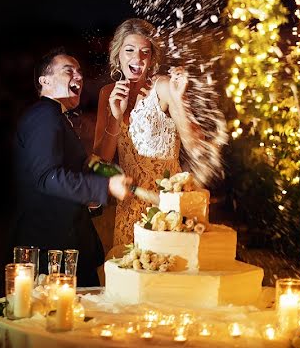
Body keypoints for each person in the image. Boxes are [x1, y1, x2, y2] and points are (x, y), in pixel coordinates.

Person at [11, 47, 133, 287]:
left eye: (80, 72)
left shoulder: (56, 117)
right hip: (52, 249)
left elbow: (76, 168)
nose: (78, 76)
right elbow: (47, 177)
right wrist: (105, 185)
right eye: (69, 71)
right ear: (44, 81)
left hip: (69, 243)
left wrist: (103, 182)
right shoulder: (44, 115)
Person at [93, 18, 205, 256]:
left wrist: (180, 99)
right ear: (118, 56)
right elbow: (100, 160)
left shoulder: (162, 87)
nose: (138, 58)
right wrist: (115, 115)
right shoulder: (107, 94)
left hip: (167, 203)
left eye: (145, 52)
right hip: (129, 204)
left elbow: (194, 144)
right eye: (130, 50)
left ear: (152, 58)